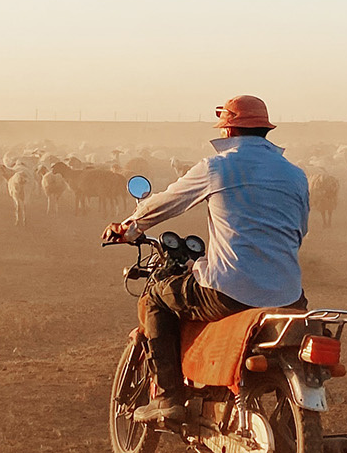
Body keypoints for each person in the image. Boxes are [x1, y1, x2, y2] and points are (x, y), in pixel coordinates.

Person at [101, 94, 311, 424]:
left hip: (229, 291)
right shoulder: (295, 175)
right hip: (290, 296)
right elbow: (300, 232)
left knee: (157, 296)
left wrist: (129, 227)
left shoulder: (216, 167)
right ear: (265, 131)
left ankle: (169, 397)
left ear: (228, 131)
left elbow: (165, 204)